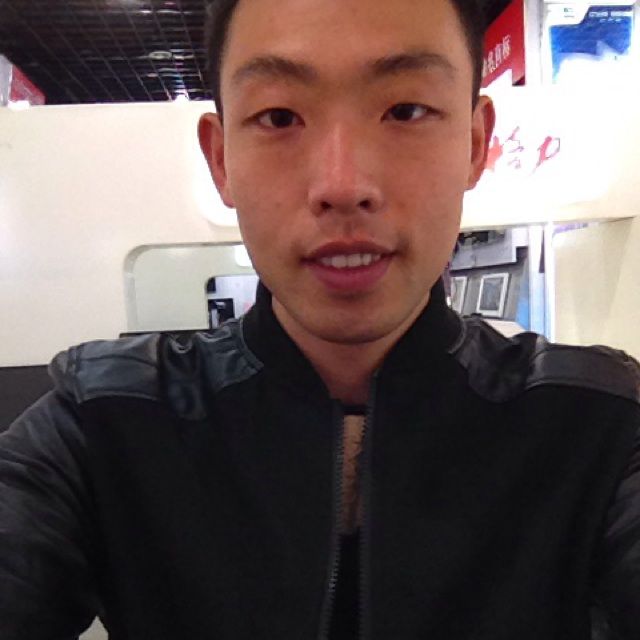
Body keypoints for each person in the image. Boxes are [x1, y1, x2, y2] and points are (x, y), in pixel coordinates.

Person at [1, 0, 639, 638]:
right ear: (221, 159)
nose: (343, 184)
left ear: (475, 143)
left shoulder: (597, 426)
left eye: (405, 110)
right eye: (279, 116)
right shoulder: (107, 419)